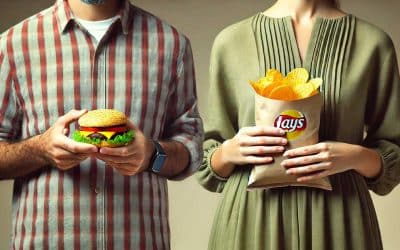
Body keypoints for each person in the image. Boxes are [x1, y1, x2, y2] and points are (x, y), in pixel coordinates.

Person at [197, 0, 400, 249]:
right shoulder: (230, 41)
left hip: (341, 220)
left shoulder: (373, 43)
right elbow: (206, 162)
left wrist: (354, 156)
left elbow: (394, 157)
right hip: (252, 220)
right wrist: (230, 151)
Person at [0, 0, 203, 249]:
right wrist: (41, 149)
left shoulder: (171, 45)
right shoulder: (13, 44)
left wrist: (152, 155)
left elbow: (191, 146)